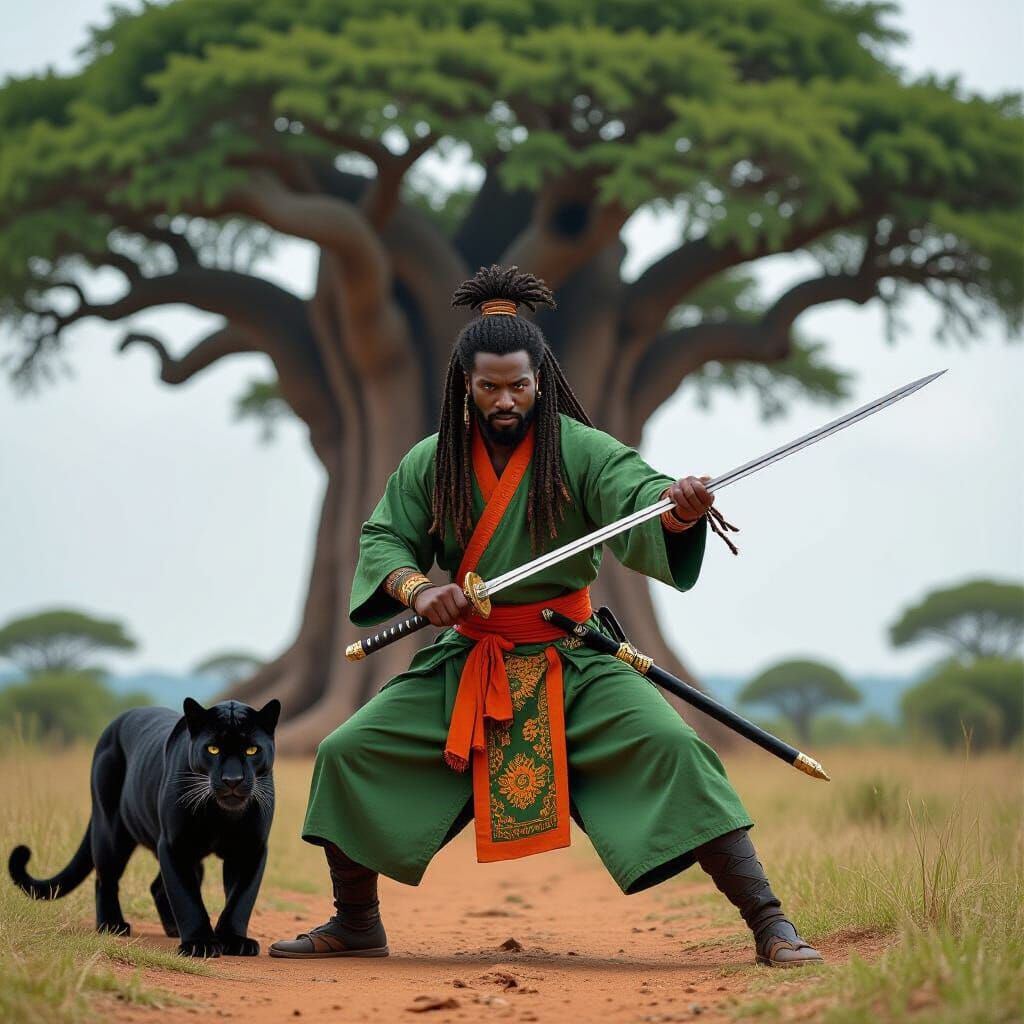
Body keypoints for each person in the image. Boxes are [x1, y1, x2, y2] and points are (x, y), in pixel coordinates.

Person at [269, 265, 823, 967]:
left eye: (520, 386)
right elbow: (384, 539)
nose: (506, 401)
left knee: (676, 748)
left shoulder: (581, 449)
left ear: (543, 378)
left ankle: (771, 924)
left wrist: (678, 509)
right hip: (469, 658)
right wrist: (417, 591)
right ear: (463, 384)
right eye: (490, 387)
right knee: (347, 752)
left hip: (575, 656)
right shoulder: (431, 461)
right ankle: (356, 923)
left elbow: (640, 493)